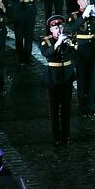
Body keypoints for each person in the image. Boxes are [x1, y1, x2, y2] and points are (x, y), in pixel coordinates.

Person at [41, 16, 76, 145]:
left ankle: (66, 136)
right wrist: (57, 43)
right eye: (56, 28)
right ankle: (56, 137)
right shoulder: (47, 41)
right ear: (51, 30)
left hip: (66, 77)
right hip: (53, 78)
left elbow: (75, 53)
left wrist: (70, 44)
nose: (59, 30)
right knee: (54, 110)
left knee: (66, 109)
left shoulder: (68, 38)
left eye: (60, 27)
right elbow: (47, 53)